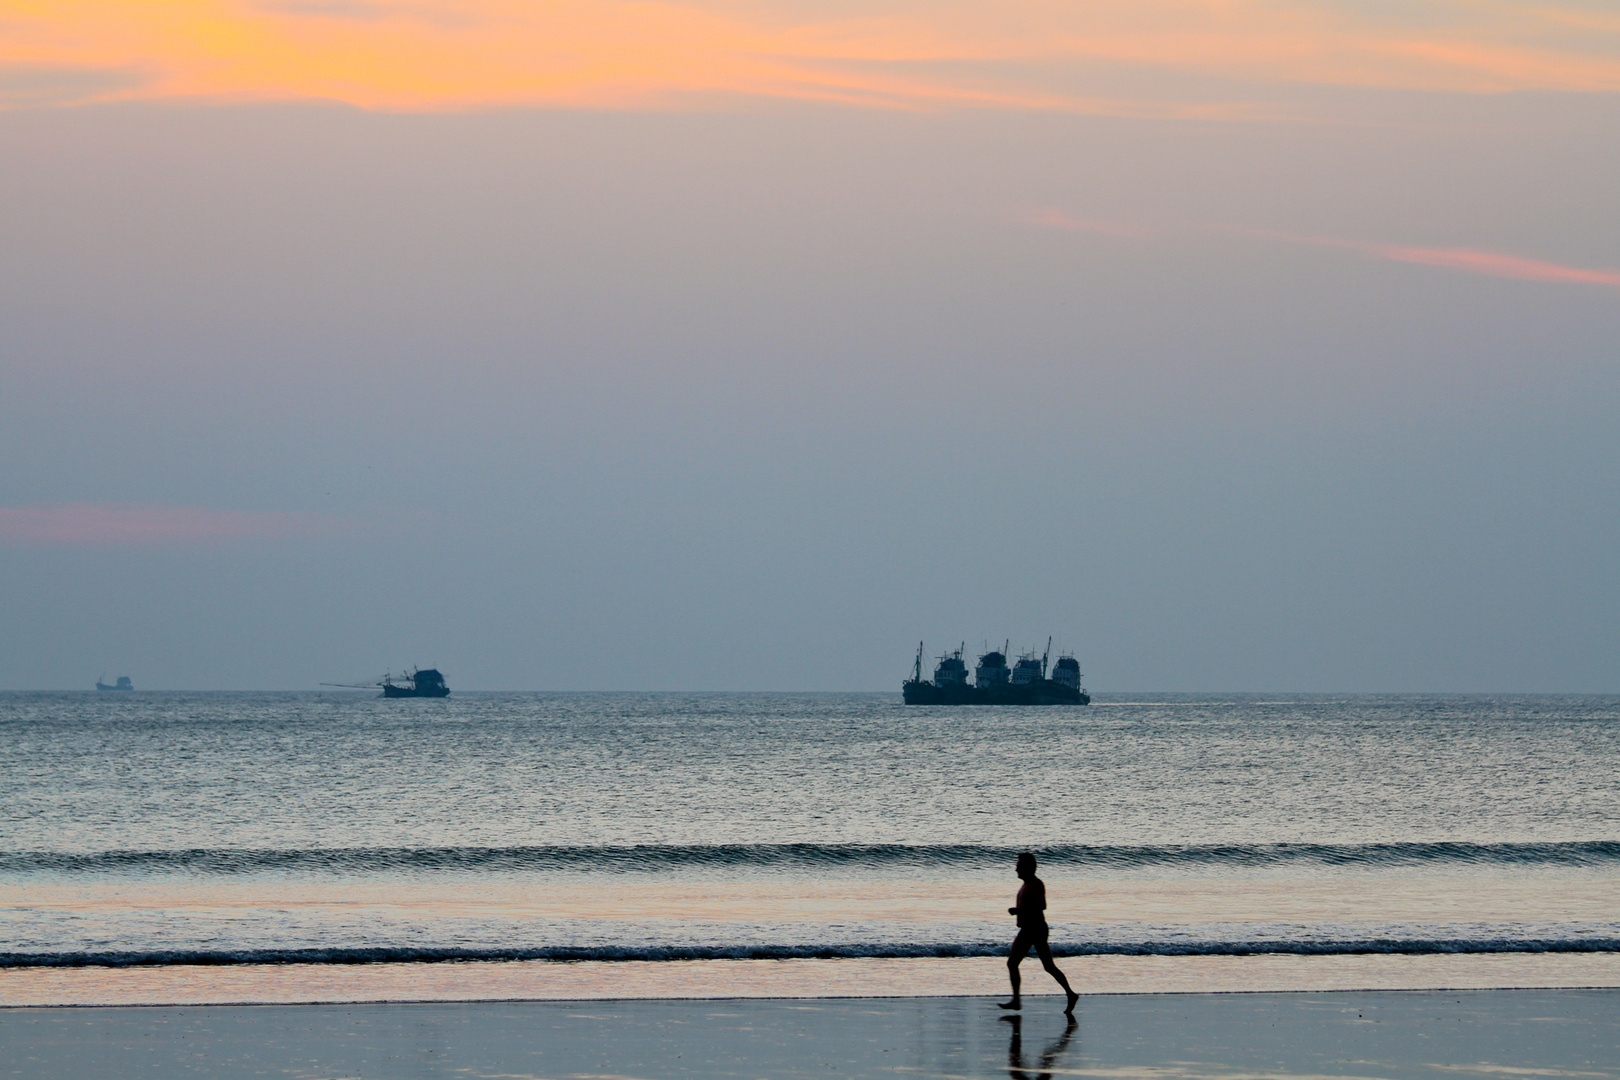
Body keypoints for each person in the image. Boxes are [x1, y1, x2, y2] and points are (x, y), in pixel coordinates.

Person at [998, 852, 1079, 1014]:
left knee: (1017, 964)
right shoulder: (1026, 884)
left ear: (1028, 867)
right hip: (1029, 929)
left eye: (1019, 866)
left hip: (1035, 929)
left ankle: (1017, 1000)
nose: (1016, 869)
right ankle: (1070, 994)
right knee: (1044, 966)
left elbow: (1042, 906)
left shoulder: (1036, 884)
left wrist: (1018, 910)